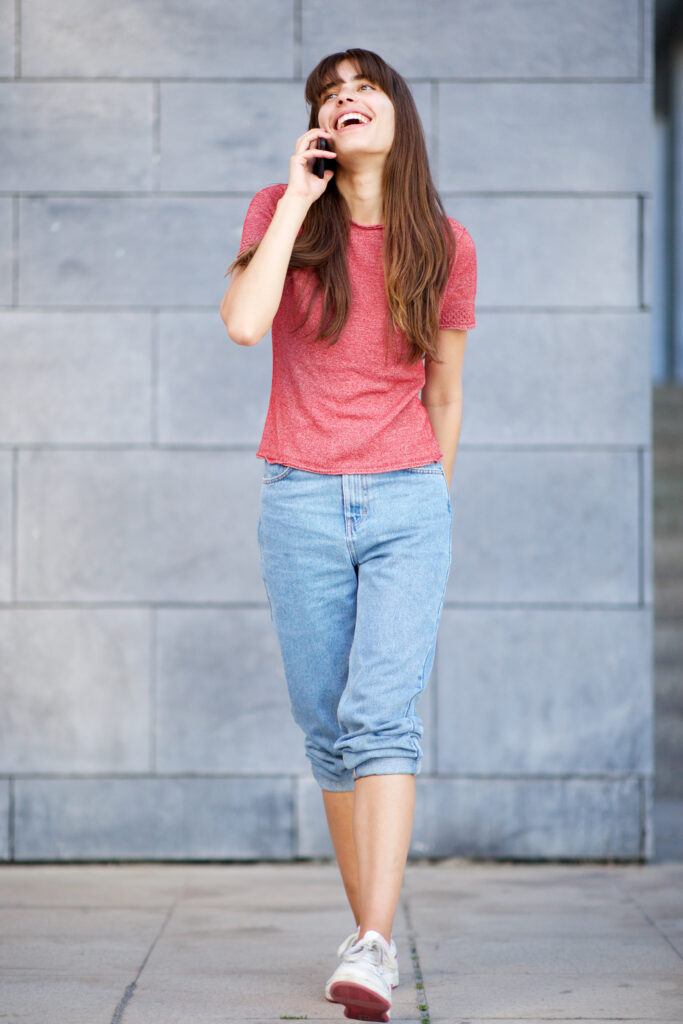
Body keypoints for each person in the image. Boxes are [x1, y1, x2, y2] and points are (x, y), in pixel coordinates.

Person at [220, 47, 476, 1024]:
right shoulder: (275, 213)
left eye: (363, 83)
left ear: (396, 112)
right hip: (298, 499)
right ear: (318, 127)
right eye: (329, 90)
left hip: (406, 496)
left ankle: (372, 944)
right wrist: (294, 197)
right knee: (327, 728)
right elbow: (245, 322)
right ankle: (365, 932)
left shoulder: (445, 246)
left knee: (381, 713)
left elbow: (445, 392)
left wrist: (430, 500)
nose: (346, 95)